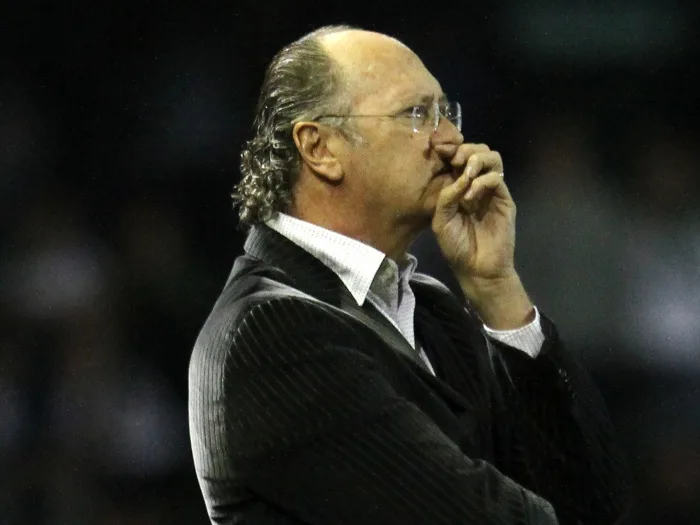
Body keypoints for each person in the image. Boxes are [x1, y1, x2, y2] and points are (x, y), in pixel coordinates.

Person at [188, 25, 631, 525]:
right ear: (320, 148)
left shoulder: (433, 308)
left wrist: (497, 289)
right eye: (416, 114)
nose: (452, 140)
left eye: (447, 112)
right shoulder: (268, 334)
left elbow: (592, 502)